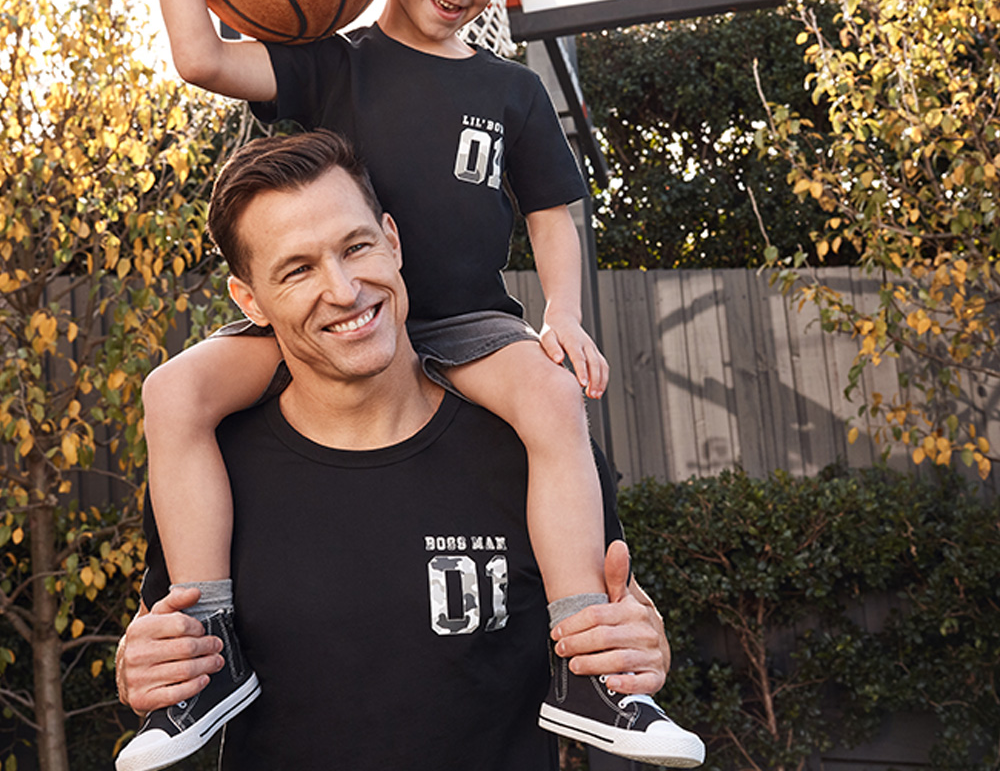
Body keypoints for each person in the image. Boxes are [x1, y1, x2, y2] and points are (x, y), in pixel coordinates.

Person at [125, 0, 704, 769]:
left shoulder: (507, 90)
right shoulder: (330, 64)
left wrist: (563, 316)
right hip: (335, 323)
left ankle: (588, 663)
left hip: (467, 320)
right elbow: (199, 57)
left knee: (556, 400)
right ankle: (212, 648)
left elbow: (555, 210)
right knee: (172, 392)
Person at [115, 131, 705, 771]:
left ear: (392, 242)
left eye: (356, 246)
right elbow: (164, 639)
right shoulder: (215, 464)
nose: (343, 290)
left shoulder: (532, 445)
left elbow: (620, 627)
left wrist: (643, 649)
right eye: (298, 269)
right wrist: (142, 669)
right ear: (250, 301)